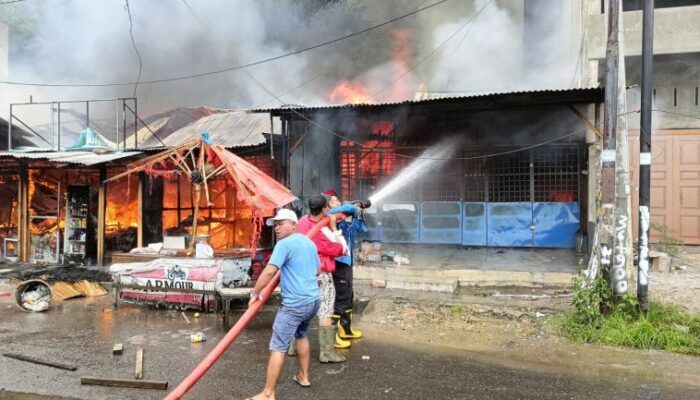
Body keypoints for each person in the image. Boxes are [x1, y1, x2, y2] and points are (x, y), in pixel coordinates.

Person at [246, 208, 320, 400]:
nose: (277, 228)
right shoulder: (309, 243)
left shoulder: (284, 244)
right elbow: (318, 270)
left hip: (295, 304)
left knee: (278, 346)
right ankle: (304, 377)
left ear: (294, 225)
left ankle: (268, 394)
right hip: (312, 301)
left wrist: (255, 292)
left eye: (281, 224)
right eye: (275, 225)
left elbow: (270, 271)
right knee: (302, 335)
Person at [295, 194, 348, 363]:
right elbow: (341, 250)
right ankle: (326, 352)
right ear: (324, 209)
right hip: (321, 273)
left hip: (301, 273)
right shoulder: (322, 231)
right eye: (328, 207)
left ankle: (292, 346)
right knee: (325, 310)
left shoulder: (303, 221)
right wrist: (334, 228)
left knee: (301, 307)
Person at [324, 189, 367, 342]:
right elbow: (345, 208)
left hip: (347, 262)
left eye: (338, 200)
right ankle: (334, 336)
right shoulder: (329, 217)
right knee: (340, 296)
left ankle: (346, 329)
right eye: (333, 201)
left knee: (348, 294)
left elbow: (356, 230)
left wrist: (359, 214)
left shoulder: (342, 221)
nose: (337, 203)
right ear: (327, 206)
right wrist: (354, 206)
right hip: (338, 262)